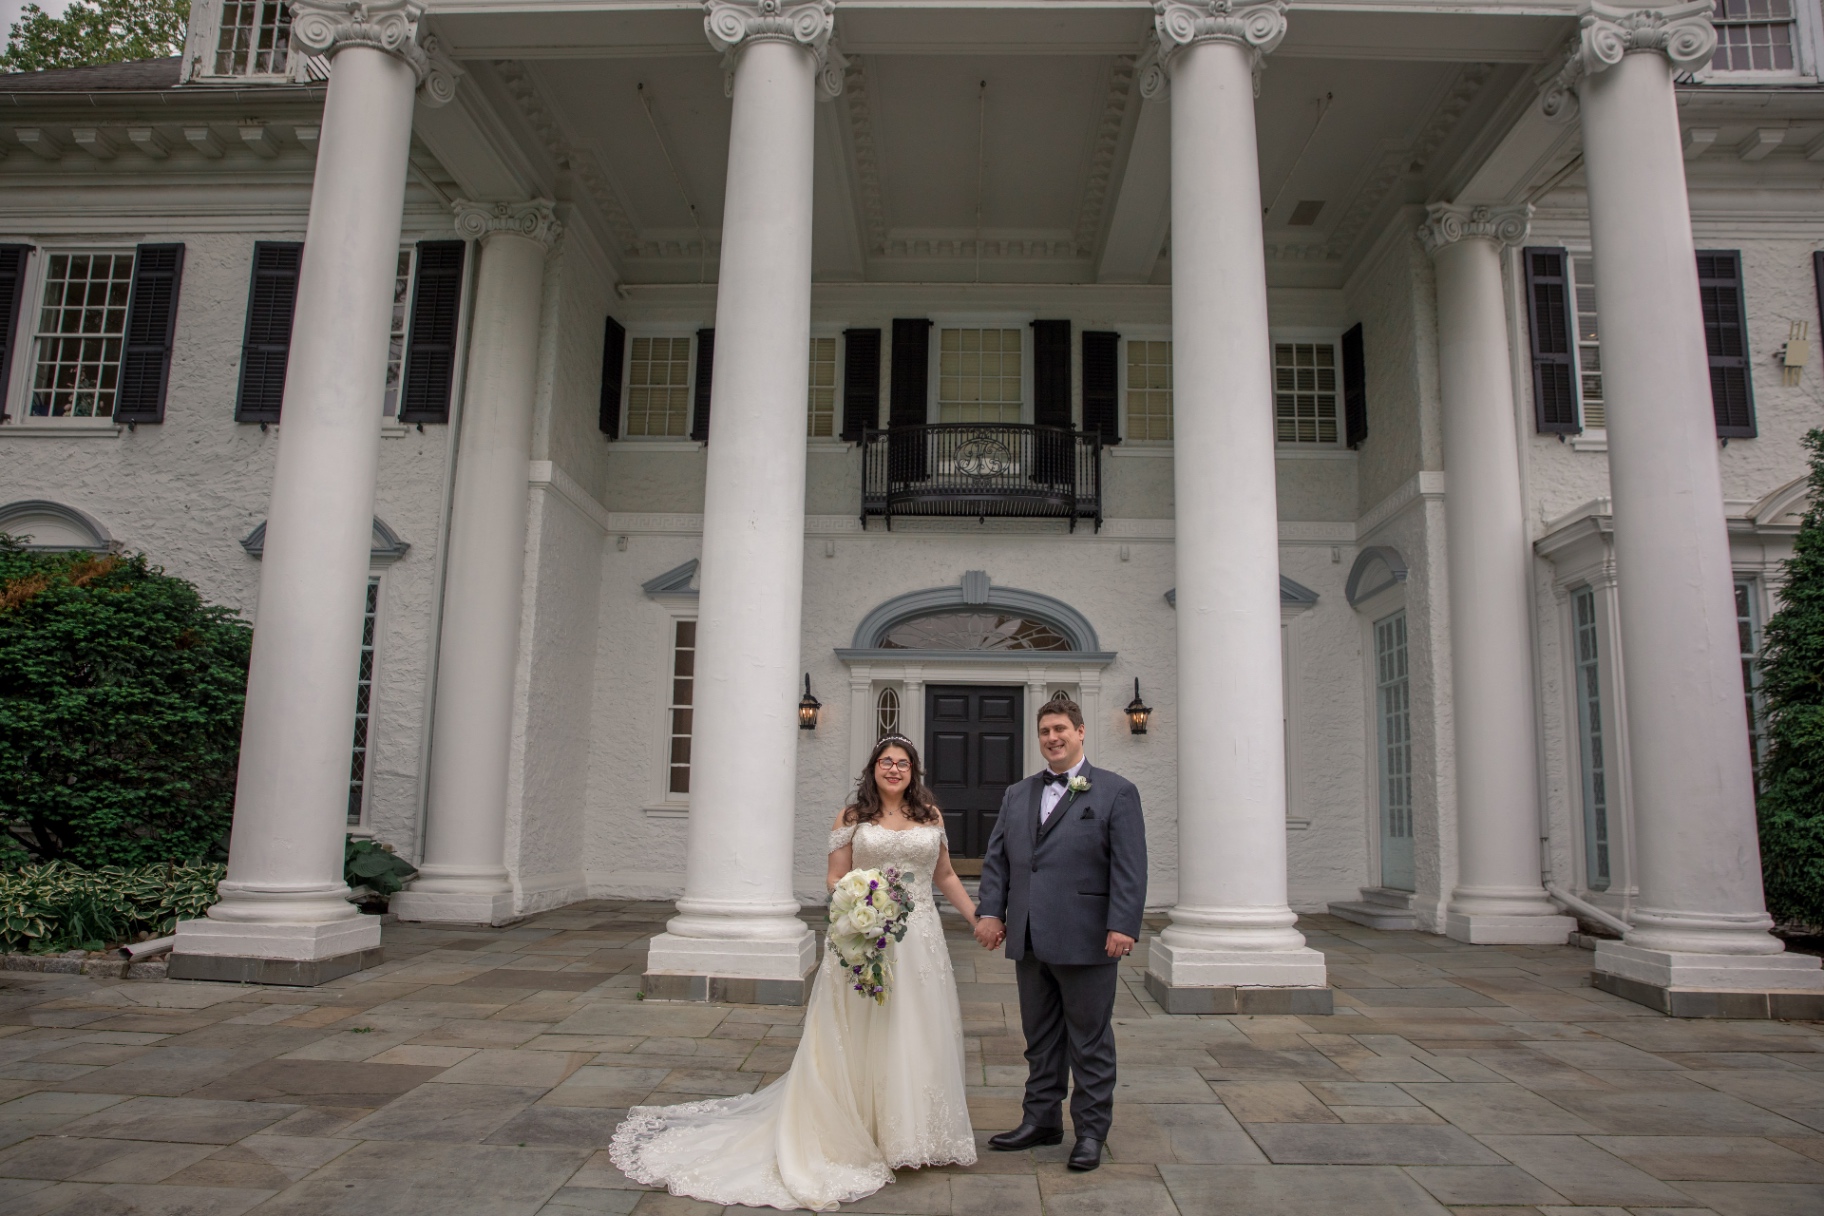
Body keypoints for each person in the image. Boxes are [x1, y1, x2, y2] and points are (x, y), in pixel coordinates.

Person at [609, 734, 979, 1211]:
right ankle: (861, 1127)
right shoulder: (852, 818)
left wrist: (977, 918)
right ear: (873, 769)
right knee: (864, 1031)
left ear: (914, 771)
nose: (894, 769)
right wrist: (861, 902)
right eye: (886, 762)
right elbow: (834, 876)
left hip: (921, 942)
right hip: (868, 939)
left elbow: (945, 875)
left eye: (903, 763)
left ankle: (915, 1134)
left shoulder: (930, 817)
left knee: (917, 1030)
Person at [973, 692, 1147, 1173]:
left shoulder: (1116, 792)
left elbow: (1130, 868)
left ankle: (1091, 1132)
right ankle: (1041, 1121)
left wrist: (1122, 924)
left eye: (1060, 730)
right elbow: (998, 860)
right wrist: (991, 912)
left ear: (1081, 732)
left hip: (1089, 937)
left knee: (1089, 1041)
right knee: (1040, 1038)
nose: (1052, 738)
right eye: (1045, 731)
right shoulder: (1017, 793)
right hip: (1029, 937)